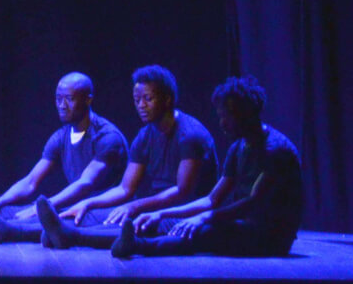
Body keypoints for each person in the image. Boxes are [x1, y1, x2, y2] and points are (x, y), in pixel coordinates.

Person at [112, 75, 304, 260]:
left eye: (227, 117)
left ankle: (137, 246)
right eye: (221, 116)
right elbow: (212, 199)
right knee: (164, 223)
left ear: (246, 114)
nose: (222, 123)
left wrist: (204, 218)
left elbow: (251, 203)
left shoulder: (275, 150)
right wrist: (161, 213)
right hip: (242, 225)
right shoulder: (238, 147)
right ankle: (115, 239)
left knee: (202, 231)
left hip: (271, 236)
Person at [34, 65, 217, 250]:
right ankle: (55, 232)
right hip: (155, 206)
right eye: (137, 100)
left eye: (148, 99)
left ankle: (72, 237)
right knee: (82, 215)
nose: (141, 105)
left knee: (140, 225)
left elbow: (182, 192)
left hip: (187, 211)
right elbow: (125, 189)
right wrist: (88, 203)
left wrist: (135, 206)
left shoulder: (190, 136)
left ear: (167, 99)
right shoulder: (145, 135)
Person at [0, 73, 129, 244]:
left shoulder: (107, 137)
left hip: (101, 209)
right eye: (58, 99)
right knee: (3, 212)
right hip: (73, 206)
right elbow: (31, 181)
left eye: (69, 99)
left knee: (47, 220)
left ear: (88, 100)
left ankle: (2, 231)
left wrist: (44, 207)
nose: (62, 105)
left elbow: (85, 183)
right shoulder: (61, 136)